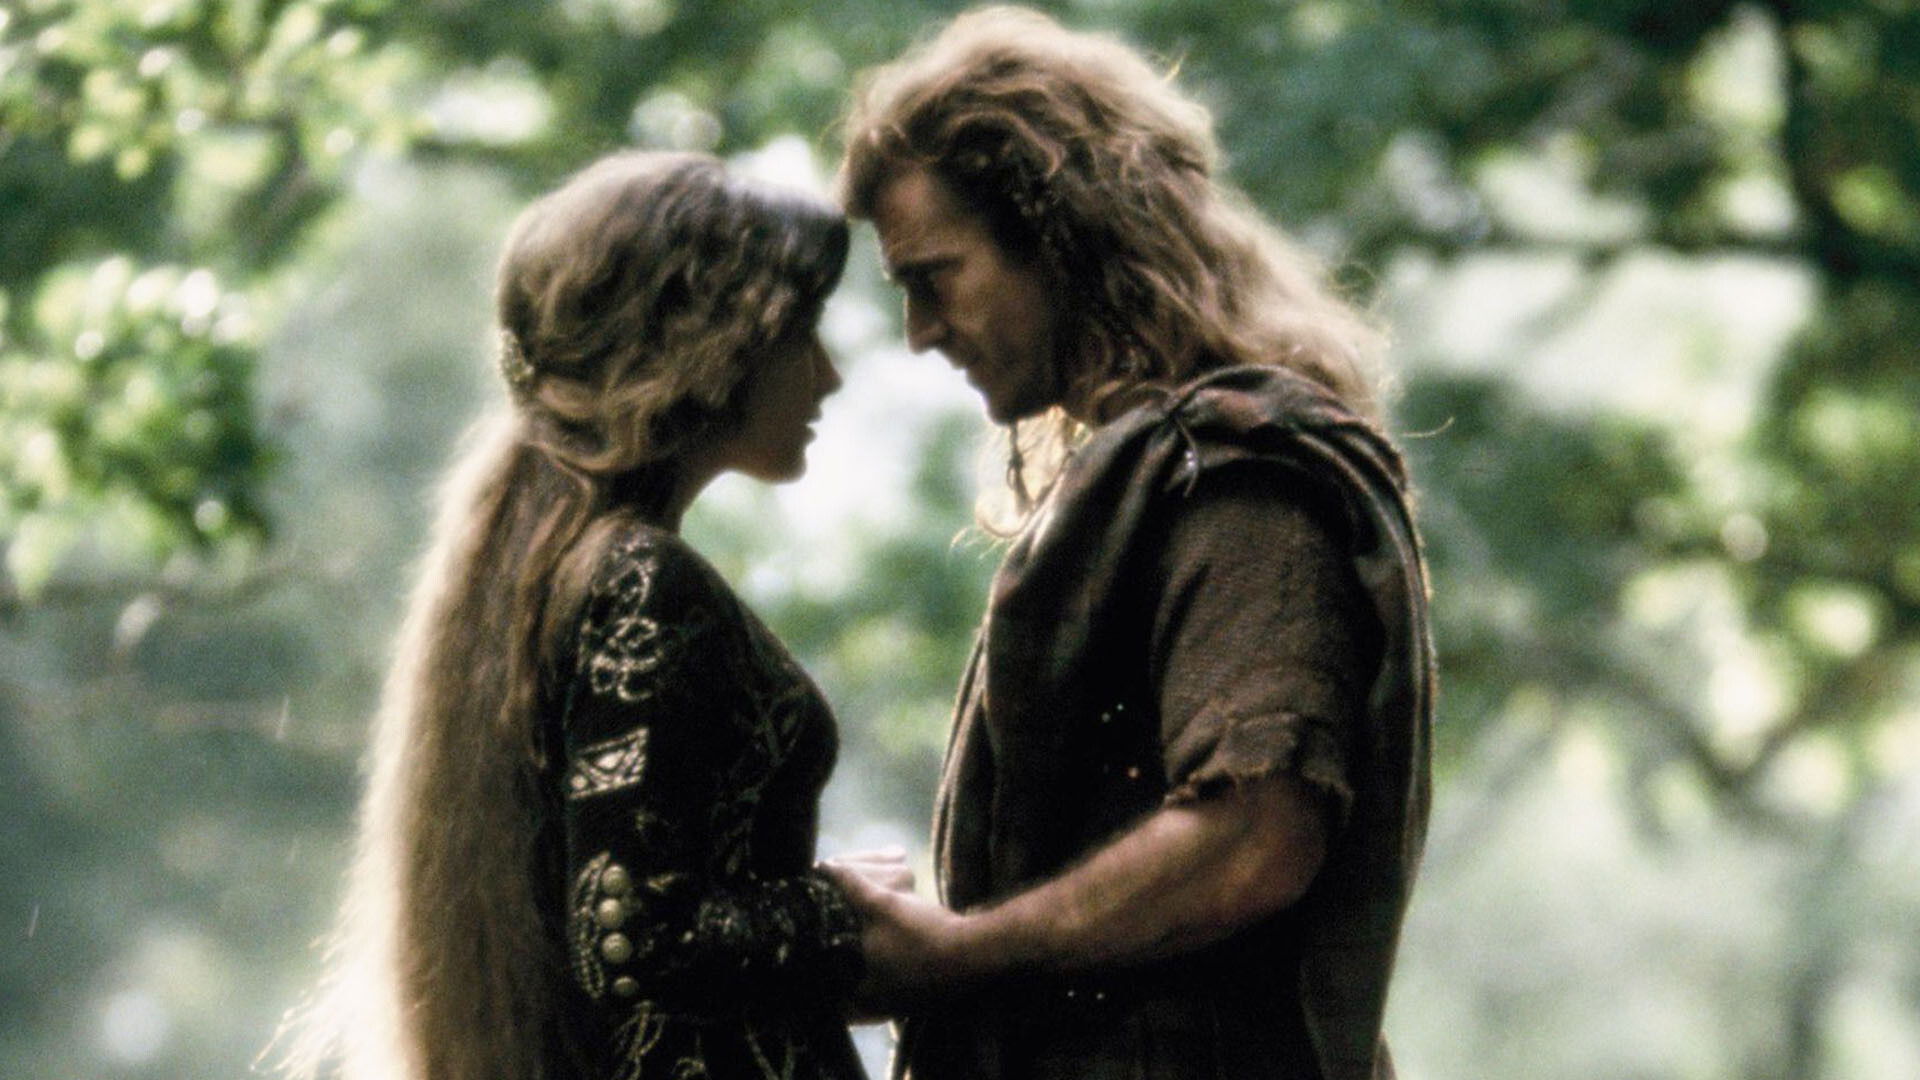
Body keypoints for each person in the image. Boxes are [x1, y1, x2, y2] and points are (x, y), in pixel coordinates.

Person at [827, 8, 1436, 1080]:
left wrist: (959, 954)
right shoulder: (1162, 476)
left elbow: (1256, 837)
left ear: (1060, 239)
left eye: (935, 275)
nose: (920, 332)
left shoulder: (1238, 480)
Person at [275, 150, 906, 1080]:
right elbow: (632, 940)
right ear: (716, 343)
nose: (829, 375)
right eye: (802, 333)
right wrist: (843, 916)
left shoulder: (556, 573)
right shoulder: (640, 579)